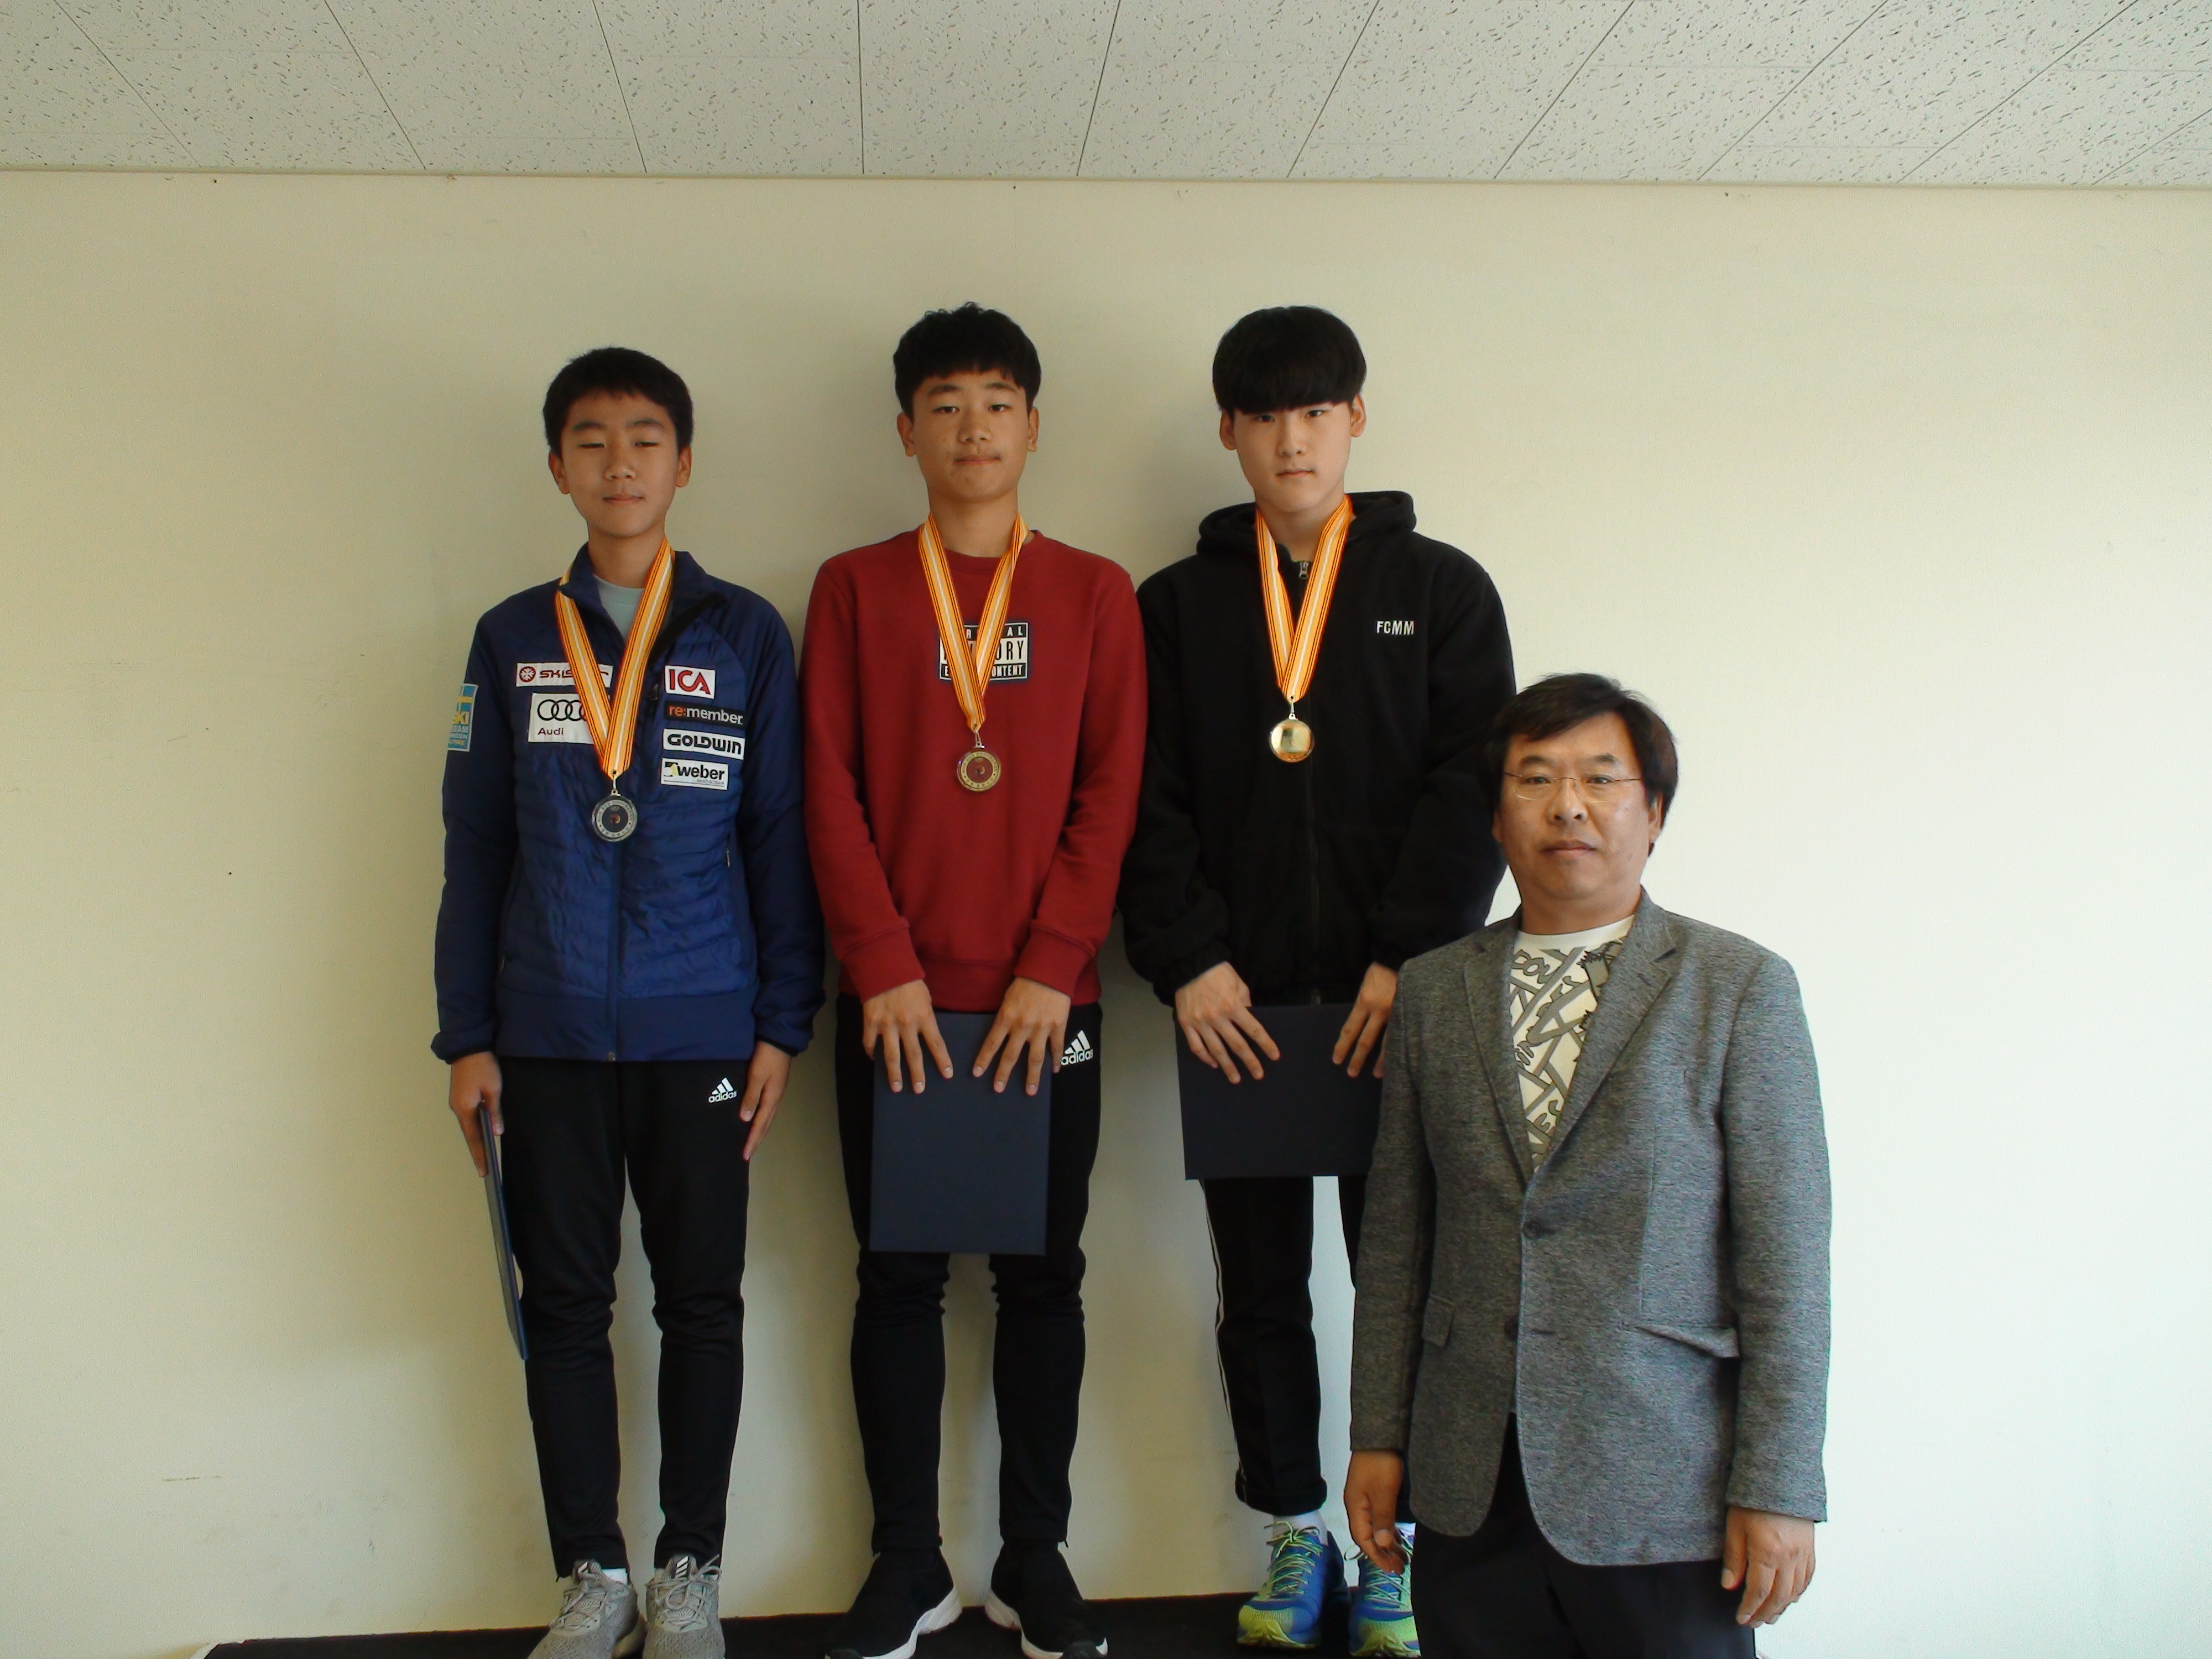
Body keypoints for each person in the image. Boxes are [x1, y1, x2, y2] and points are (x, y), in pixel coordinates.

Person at [1118, 306, 1514, 1656]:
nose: (1291, 438)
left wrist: (1407, 959)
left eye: (1315, 410)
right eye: (1264, 413)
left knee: (1405, 1290)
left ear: (1355, 419)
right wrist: (1189, 961)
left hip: (1393, 1009)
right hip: (1233, 1013)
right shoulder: (1173, 608)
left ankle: (1394, 1550)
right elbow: (1142, 796)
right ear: (1228, 429)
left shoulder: (1442, 589)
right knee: (1259, 1285)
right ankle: (1293, 1528)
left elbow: (1471, 788)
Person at [434, 347, 823, 1659]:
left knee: (701, 1305)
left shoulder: (743, 633)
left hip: (701, 1028)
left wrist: (780, 1023)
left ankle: (688, 1573)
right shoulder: (509, 638)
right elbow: (475, 847)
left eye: (645, 438)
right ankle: (593, 1579)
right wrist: (467, 1036)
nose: (619, 463)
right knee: (564, 1309)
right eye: (591, 441)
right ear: (557, 466)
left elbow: (779, 840)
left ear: (684, 462)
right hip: (542, 1035)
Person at [1343, 674, 1831, 1659]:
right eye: (1535, 779)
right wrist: (1378, 1437)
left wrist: (1778, 1486)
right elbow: (1397, 1240)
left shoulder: (1740, 987)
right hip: (1470, 1480)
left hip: (1666, 1484)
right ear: (1496, 817)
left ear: (1655, 814)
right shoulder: (1434, 991)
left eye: (1601, 779)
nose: (1567, 805)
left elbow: (1786, 1258)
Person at [800, 304, 1146, 1659]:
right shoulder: (852, 589)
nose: (972, 428)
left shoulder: (1093, 593)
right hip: (894, 1006)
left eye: (996, 402)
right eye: (944, 405)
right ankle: (907, 1563)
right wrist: (881, 966)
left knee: (1041, 1280)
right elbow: (825, 787)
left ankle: (1031, 1559)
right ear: (906, 431)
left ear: (1033, 426)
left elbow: (1110, 792)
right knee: (893, 1281)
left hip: (1043, 1011)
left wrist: (1054, 967)